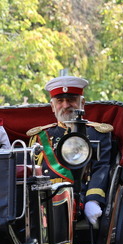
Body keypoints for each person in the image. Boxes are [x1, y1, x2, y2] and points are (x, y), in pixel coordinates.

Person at [26, 75, 113, 226]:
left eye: (71, 99)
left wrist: (93, 201)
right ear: (52, 106)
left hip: (81, 200)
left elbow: (101, 168)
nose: (66, 105)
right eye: (60, 101)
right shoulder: (40, 137)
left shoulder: (97, 134)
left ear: (82, 103)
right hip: (44, 202)